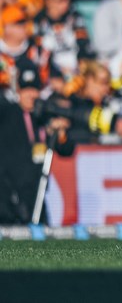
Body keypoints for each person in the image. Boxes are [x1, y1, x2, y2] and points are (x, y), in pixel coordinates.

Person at [0, 64, 75, 224]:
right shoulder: (7, 113)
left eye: (34, 90)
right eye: (26, 90)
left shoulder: (43, 116)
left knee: (38, 239)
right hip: (7, 191)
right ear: (18, 91)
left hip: (35, 190)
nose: (31, 95)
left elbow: (67, 150)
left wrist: (59, 133)